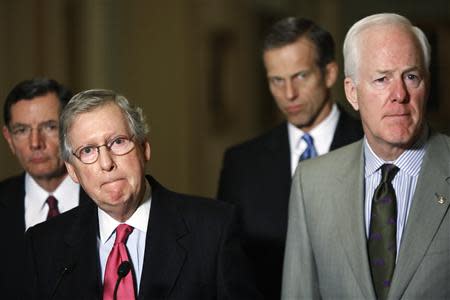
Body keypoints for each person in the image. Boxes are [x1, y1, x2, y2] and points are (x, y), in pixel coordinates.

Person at [23, 89, 261, 300]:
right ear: (72, 170)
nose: (106, 163)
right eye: (87, 150)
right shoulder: (44, 244)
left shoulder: (214, 229)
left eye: (117, 142)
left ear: (144, 149)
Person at [282, 13, 450, 299]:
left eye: (411, 76)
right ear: (352, 93)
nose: (399, 94)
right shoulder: (311, 185)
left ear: (427, 85)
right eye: (382, 79)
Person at [217, 17, 363, 298]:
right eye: (277, 80)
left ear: (330, 73)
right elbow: (229, 267)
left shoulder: (371, 146)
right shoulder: (241, 162)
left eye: (300, 76)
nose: (289, 94)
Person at [0, 78, 89, 298]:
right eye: (21, 130)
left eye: (49, 127)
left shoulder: (106, 198)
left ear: (71, 130)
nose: (35, 143)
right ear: (9, 139)